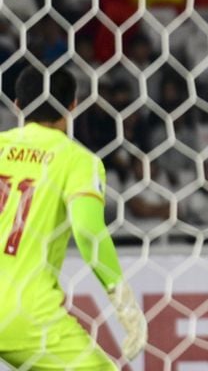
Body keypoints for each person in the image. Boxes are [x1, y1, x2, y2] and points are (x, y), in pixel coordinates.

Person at [0, 67, 146, 369]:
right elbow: (87, 229)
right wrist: (123, 300)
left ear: (16, 105)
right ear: (73, 107)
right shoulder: (78, 161)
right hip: (25, 314)